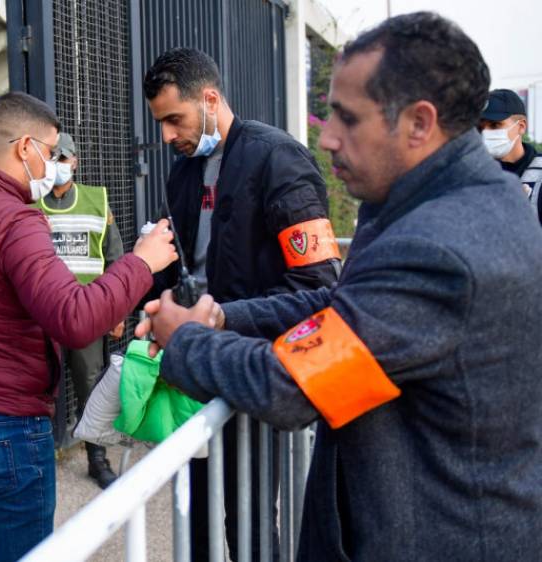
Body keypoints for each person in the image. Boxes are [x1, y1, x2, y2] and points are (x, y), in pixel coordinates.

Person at [138, 12, 542, 561]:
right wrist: (225, 319)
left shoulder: (439, 247)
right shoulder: (428, 210)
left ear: (419, 124)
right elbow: (341, 306)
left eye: (346, 118)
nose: (325, 138)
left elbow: (295, 385)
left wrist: (186, 339)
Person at [0, 91, 178, 561]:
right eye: (50, 151)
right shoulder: (17, 221)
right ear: (25, 148)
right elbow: (75, 318)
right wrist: (140, 263)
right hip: (7, 427)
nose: (54, 165)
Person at [142, 46, 340, 559]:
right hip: (195, 372)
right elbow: (190, 267)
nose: (167, 136)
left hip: (255, 372)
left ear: (210, 99)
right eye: (160, 123)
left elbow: (320, 291)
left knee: (250, 524)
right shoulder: (183, 170)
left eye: (173, 120)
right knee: (197, 518)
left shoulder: (279, 159)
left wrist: (224, 318)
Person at [33, 132, 125, 489]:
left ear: (75, 162)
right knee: (39, 387)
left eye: (64, 157)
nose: (59, 164)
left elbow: (115, 259)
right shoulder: (31, 204)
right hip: (44, 315)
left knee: (91, 385)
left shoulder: (96, 200)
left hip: (87, 313)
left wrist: (117, 311)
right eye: (53, 157)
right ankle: (40, 456)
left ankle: (97, 459)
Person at [479, 88, 542, 223]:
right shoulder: (474, 175)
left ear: (521, 126)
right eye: (480, 128)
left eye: (495, 125)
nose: (485, 133)